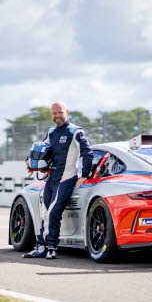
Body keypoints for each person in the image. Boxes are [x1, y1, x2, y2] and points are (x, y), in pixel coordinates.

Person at [23, 101, 93, 259]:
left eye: (60, 112)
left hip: (67, 179)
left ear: (66, 112)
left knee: (54, 212)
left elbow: (87, 152)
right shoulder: (51, 131)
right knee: (45, 212)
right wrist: (30, 160)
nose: (57, 116)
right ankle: (41, 246)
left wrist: (84, 175)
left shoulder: (76, 131)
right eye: (54, 113)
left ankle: (52, 247)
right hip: (51, 179)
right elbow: (41, 148)